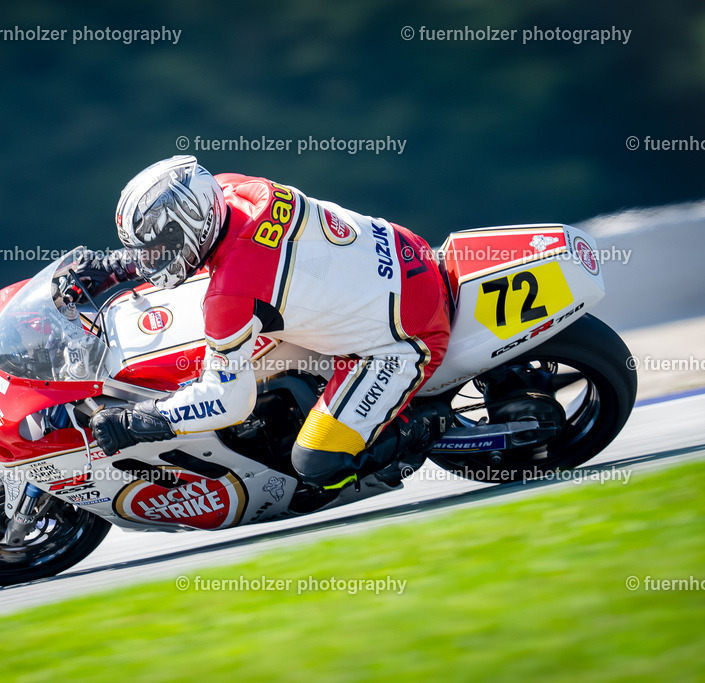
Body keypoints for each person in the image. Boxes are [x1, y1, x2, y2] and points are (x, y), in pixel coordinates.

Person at [86, 155, 452, 496]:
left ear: (192, 224)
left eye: (158, 248)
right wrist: (116, 267)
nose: (150, 259)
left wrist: (138, 421)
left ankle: (423, 428)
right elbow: (216, 248)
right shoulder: (232, 189)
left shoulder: (230, 295)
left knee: (317, 464)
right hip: (403, 249)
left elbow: (226, 400)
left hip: (407, 337)